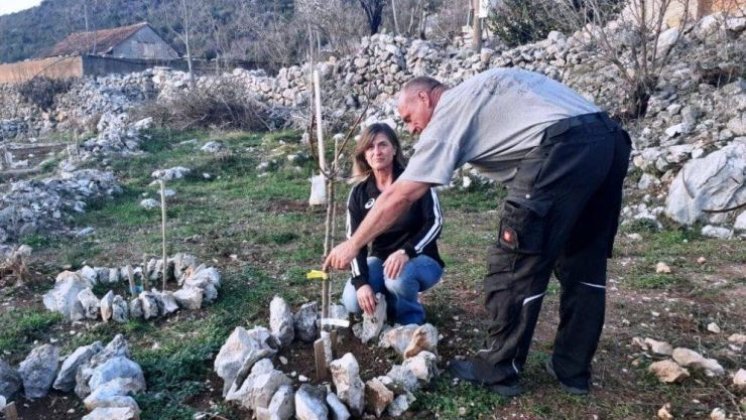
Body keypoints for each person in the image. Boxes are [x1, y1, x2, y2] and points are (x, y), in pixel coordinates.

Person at [324, 68, 631, 397]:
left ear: (425, 98)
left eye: (409, 116)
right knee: (584, 265)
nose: (412, 128)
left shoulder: (451, 111)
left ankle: (498, 370)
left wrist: (353, 244)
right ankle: (572, 371)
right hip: (609, 140)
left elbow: (401, 195)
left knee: (515, 266)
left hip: (559, 150)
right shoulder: (488, 85)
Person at [341, 122, 444, 326]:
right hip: (381, 259)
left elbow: (435, 222)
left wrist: (406, 251)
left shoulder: (414, 181)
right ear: (364, 154)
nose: (377, 152)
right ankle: (388, 304)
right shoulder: (359, 193)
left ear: (394, 149)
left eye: (383, 145)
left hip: (421, 257)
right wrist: (361, 283)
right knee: (352, 301)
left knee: (398, 278)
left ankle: (411, 322)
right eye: (370, 147)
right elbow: (354, 242)